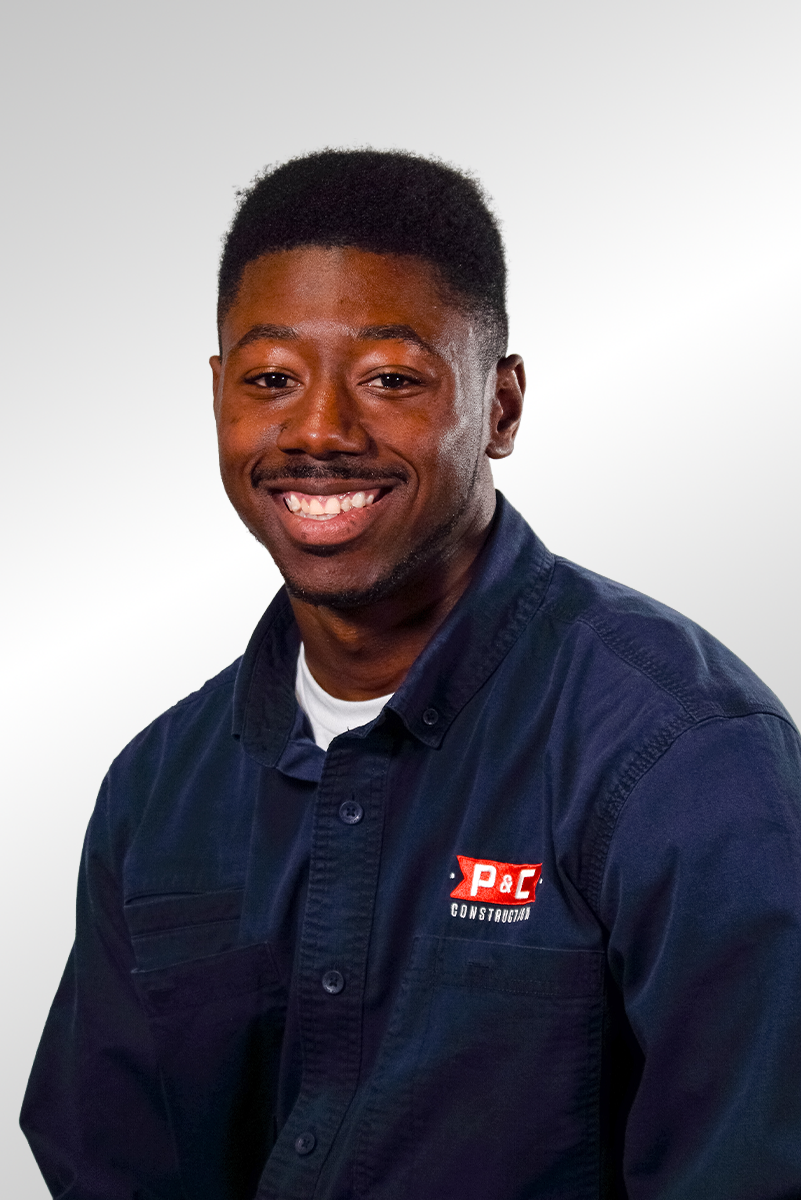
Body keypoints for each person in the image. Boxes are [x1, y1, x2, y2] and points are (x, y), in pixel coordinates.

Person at [21, 149, 801, 1200]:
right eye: (270, 380)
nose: (319, 431)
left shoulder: (686, 761)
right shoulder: (158, 790)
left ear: (502, 406)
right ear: (217, 398)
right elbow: (107, 1166)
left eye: (392, 378)